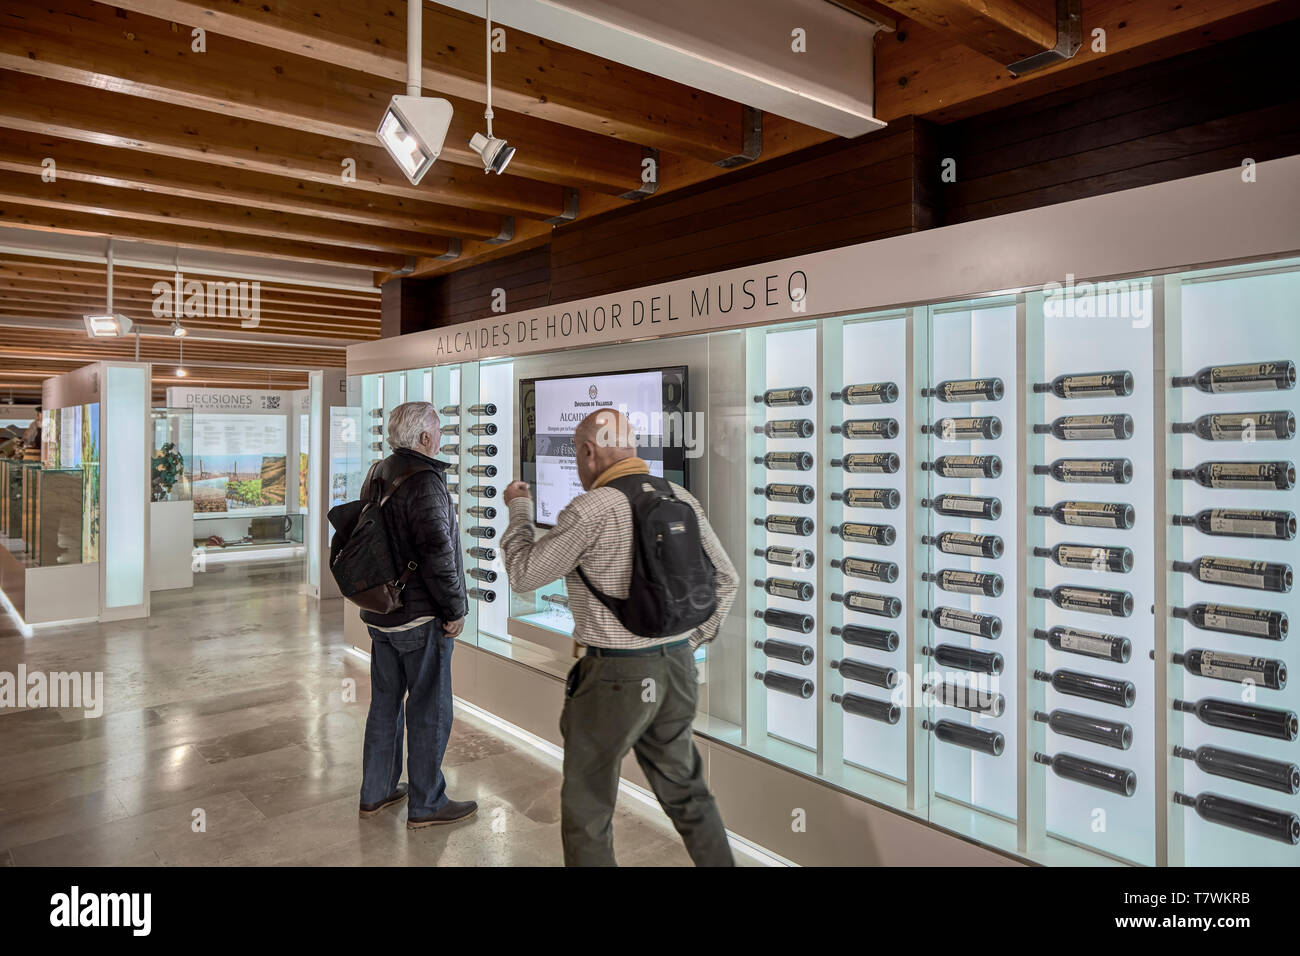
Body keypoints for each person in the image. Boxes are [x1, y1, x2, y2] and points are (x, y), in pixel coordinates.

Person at [500, 409, 739, 866]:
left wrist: (519, 510)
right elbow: (727, 579)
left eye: (575, 453)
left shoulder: (591, 508)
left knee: (588, 806)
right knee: (690, 796)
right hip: (676, 671)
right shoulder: (679, 496)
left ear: (589, 451)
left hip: (614, 678)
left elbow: (524, 573)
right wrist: (690, 643)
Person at [357, 401, 476, 829]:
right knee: (429, 708)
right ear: (425, 438)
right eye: (439, 430)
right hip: (420, 617)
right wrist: (455, 608)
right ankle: (427, 802)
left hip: (382, 614)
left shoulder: (378, 472)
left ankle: (377, 790)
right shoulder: (425, 481)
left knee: (385, 703)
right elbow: (437, 554)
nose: (441, 436)